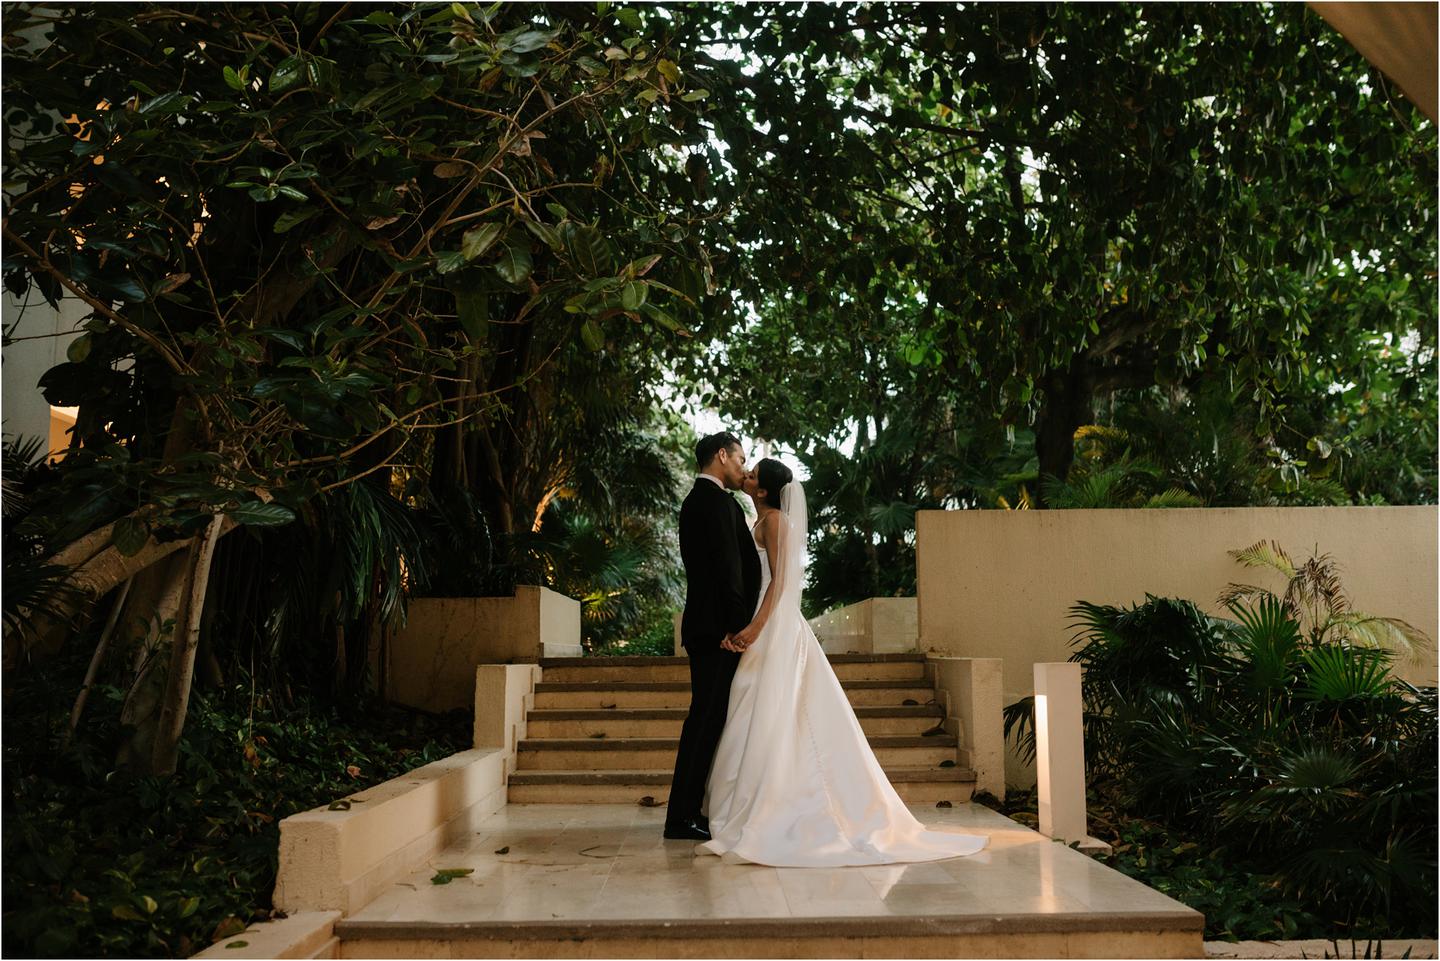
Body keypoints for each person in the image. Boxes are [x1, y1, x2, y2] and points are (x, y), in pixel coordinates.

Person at [697, 457, 989, 866]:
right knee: (754, 708)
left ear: (762, 491)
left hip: (774, 626)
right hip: (765, 625)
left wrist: (756, 627)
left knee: (771, 710)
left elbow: (780, 583)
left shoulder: (775, 521)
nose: (745, 477)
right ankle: (760, 793)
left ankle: (784, 802)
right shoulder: (761, 519)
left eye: (752, 475)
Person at [664, 432, 761, 841]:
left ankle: (686, 812)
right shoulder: (718, 502)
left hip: (707, 626)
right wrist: (737, 628)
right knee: (704, 721)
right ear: (721, 456)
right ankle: (681, 817)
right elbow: (727, 570)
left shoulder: (696, 501)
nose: (743, 467)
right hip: (717, 630)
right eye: (740, 458)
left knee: (704, 719)